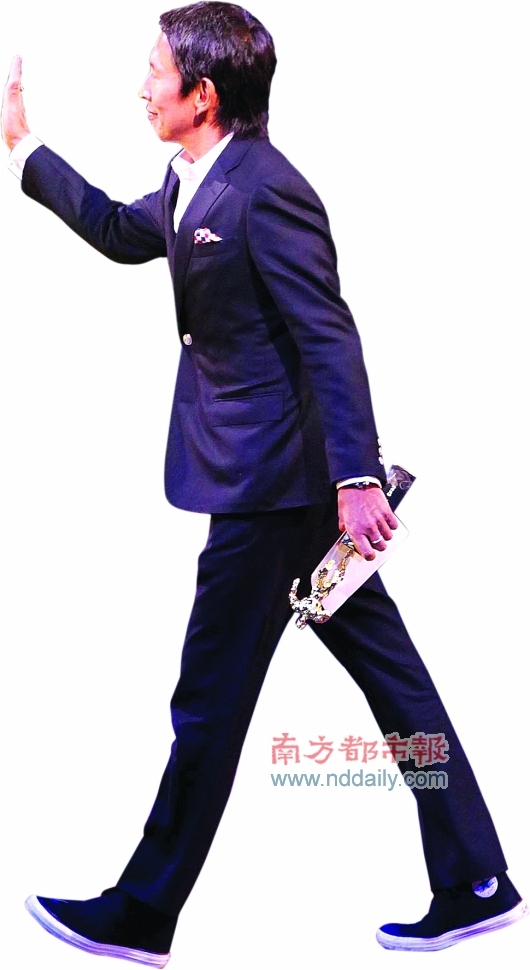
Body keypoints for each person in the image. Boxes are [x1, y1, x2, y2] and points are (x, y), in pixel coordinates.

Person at [2, 3, 526, 965]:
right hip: (279, 481)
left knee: (207, 702)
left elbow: (330, 335)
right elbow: (119, 231)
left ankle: (143, 911)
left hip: (274, 492)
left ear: (203, 94)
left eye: (156, 70)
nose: (142, 86)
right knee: (396, 681)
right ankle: (477, 879)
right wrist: (25, 148)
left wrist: (358, 480)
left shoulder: (267, 192)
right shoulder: (193, 179)